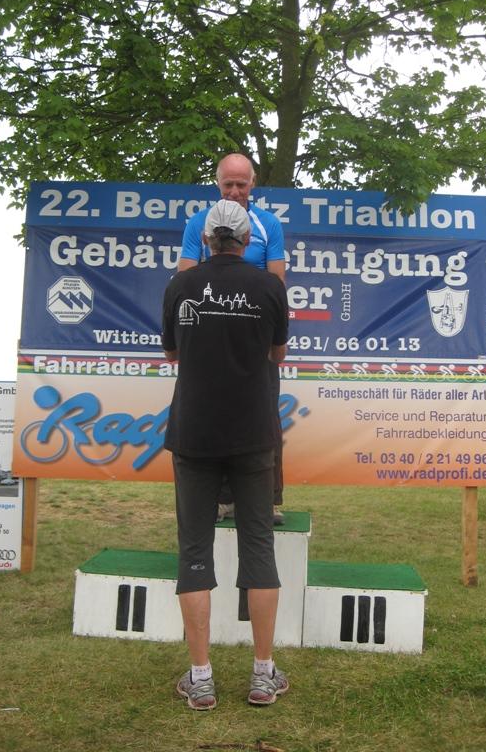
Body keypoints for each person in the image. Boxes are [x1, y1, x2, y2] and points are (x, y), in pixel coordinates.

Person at [162, 199, 289, 711]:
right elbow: (278, 353)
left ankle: (201, 678)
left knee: (194, 549)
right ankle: (262, 674)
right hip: (253, 432)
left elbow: (172, 353)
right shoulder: (270, 287)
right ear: (246, 239)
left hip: (194, 432)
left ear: (207, 238)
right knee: (259, 547)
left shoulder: (180, 286)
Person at [178, 152, 286, 525]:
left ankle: (268, 500)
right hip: (212, 335)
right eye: (228, 184)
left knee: (266, 415)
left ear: (253, 183)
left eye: (242, 184)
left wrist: (271, 332)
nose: (235, 191)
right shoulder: (198, 223)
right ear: (217, 184)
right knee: (213, 414)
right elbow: (186, 279)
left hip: (254, 336)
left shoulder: (268, 224)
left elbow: (277, 281)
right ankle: (223, 500)